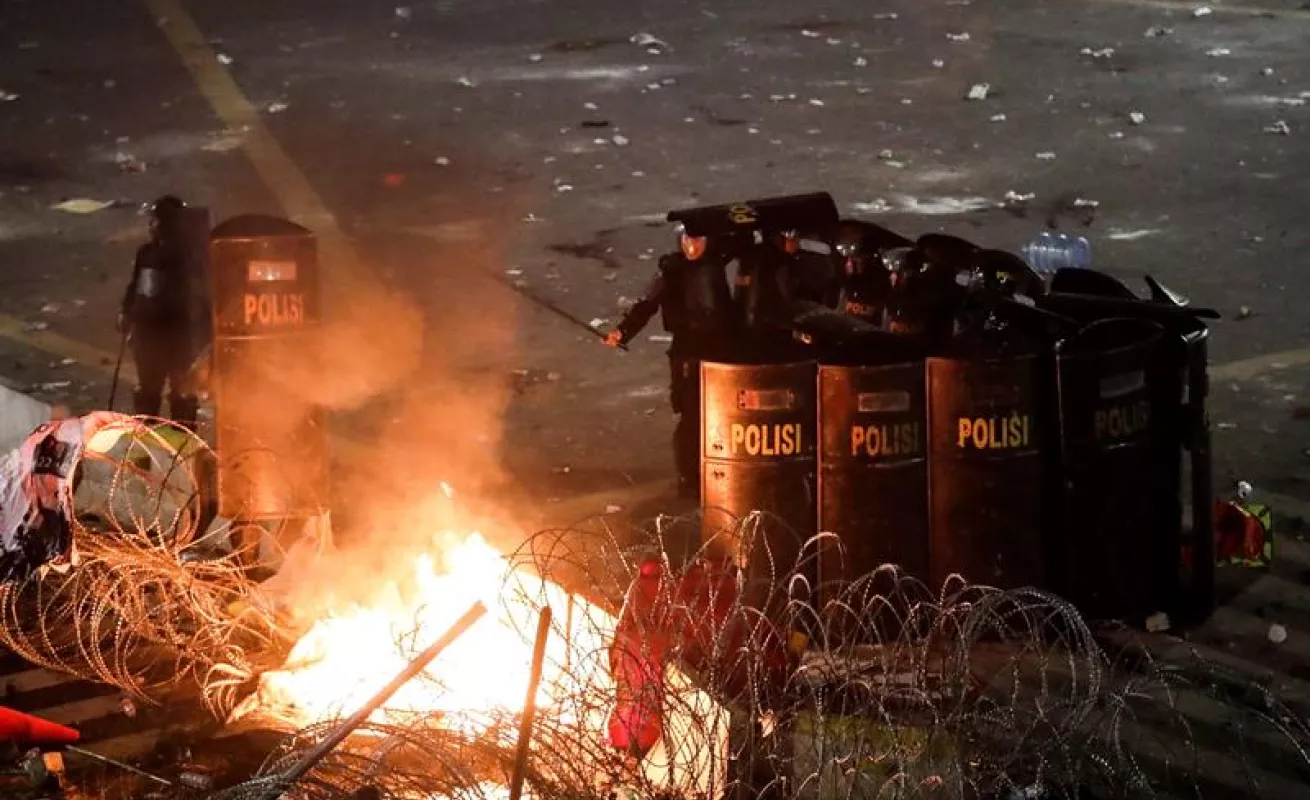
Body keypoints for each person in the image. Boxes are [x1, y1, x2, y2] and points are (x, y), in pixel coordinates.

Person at [605, 227, 736, 498]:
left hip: (719, 351)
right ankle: (689, 477)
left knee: (721, 413)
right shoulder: (670, 271)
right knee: (690, 415)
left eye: (698, 239)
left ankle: (718, 470)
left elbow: (740, 240)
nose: (692, 246)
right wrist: (623, 331)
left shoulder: (715, 263)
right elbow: (646, 304)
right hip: (686, 352)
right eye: (688, 239)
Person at [118, 196, 200, 430]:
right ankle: (181, 443)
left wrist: (127, 313)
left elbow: (141, 291)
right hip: (178, 336)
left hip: (156, 336)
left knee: (151, 394)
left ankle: (149, 442)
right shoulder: (192, 255)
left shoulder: (152, 254)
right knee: (180, 394)